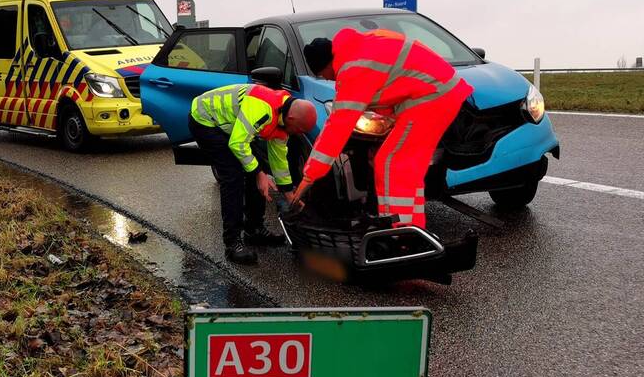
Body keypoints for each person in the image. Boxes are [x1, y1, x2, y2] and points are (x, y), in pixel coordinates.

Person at [288, 28, 473, 228]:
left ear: (325, 66)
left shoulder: (353, 67)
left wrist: (310, 175)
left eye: (323, 75)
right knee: (402, 165)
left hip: (433, 96)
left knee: (394, 164)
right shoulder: (360, 48)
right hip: (434, 92)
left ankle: (401, 236)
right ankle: (412, 227)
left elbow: (338, 126)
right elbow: (389, 94)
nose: (328, 80)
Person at [189, 83, 318, 264]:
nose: (299, 134)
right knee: (233, 178)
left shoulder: (283, 121)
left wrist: (289, 194)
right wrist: (258, 173)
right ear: (291, 118)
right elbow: (237, 144)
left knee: (258, 169)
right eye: (300, 129)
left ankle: (254, 229)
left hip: (232, 127)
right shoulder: (263, 108)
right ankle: (232, 244)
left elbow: (279, 160)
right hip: (205, 120)